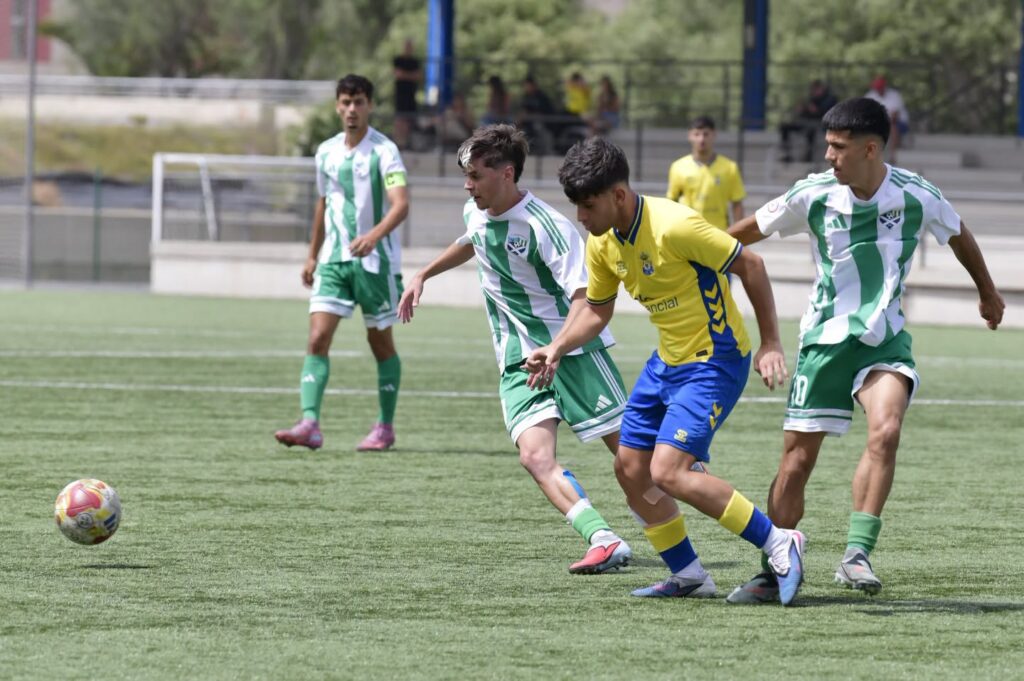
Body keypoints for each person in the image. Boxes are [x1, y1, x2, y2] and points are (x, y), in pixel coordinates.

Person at [725, 97, 1005, 604]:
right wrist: (696, 254)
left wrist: (987, 292)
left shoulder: (916, 195)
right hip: (824, 342)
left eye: (838, 147)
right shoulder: (812, 194)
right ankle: (773, 568)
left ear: (870, 149)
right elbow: (747, 233)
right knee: (795, 463)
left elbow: (960, 235)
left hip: (885, 340)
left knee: (887, 431)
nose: (829, 156)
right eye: (827, 145)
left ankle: (856, 555)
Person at [525, 137, 808, 605]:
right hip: (667, 362)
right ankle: (690, 575)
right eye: (576, 206)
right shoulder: (603, 242)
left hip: (716, 360)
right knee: (630, 468)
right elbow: (597, 310)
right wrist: (556, 347)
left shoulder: (676, 226)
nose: (581, 217)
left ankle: (780, 542)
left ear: (618, 196)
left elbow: (752, 265)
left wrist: (771, 343)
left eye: (588, 205)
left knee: (668, 470)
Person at [397, 125, 633, 574]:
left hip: (574, 354)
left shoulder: (549, 227)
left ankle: (698, 519)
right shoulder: (476, 211)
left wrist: (558, 348)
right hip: (518, 361)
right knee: (534, 456)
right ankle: (603, 538)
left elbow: (586, 298)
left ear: (507, 174)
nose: (468, 185)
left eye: (476, 176)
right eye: (466, 175)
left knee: (631, 459)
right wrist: (423, 274)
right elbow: (472, 240)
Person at [275, 74, 410, 452]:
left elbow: (401, 204)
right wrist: (312, 254)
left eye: (360, 102)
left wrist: (373, 236)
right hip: (334, 261)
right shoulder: (326, 152)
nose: (352, 109)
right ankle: (309, 423)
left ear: (370, 106)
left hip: (374, 263)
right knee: (317, 338)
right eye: (346, 102)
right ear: (337, 106)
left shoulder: (385, 151)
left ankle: (384, 426)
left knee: (380, 344)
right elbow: (324, 203)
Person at [666, 116, 745, 231]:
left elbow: (737, 204)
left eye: (706, 134)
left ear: (714, 135)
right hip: (688, 233)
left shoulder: (729, 168)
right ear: (690, 136)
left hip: (719, 233)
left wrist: (740, 236)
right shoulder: (678, 167)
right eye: (697, 134)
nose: (701, 139)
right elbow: (671, 203)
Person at [778, 79, 838, 163]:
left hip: (820, 124)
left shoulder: (829, 99)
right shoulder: (811, 99)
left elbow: (824, 113)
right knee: (785, 126)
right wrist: (801, 110)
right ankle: (786, 153)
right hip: (805, 122)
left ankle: (808, 155)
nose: (814, 92)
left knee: (811, 131)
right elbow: (802, 114)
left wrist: (814, 109)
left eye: (816, 89)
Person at [865, 76, 909, 162]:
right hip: (878, 121)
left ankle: (892, 155)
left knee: (892, 127)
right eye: (877, 88)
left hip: (897, 122)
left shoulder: (894, 95)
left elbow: (895, 115)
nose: (879, 90)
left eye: (880, 88)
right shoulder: (870, 95)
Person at [392, 39, 421, 149]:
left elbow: (418, 76)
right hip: (400, 95)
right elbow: (398, 74)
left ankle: (407, 143)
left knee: (409, 120)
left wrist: (405, 75)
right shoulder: (398, 60)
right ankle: (398, 143)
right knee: (399, 119)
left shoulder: (414, 61)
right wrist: (410, 76)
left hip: (411, 95)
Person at [518, 74, 557, 152]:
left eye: (528, 85)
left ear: (533, 85)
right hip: (529, 123)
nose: (527, 88)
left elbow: (545, 111)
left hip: (545, 123)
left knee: (537, 127)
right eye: (525, 86)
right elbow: (524, 111)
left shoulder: (541, 96)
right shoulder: (526, 96)